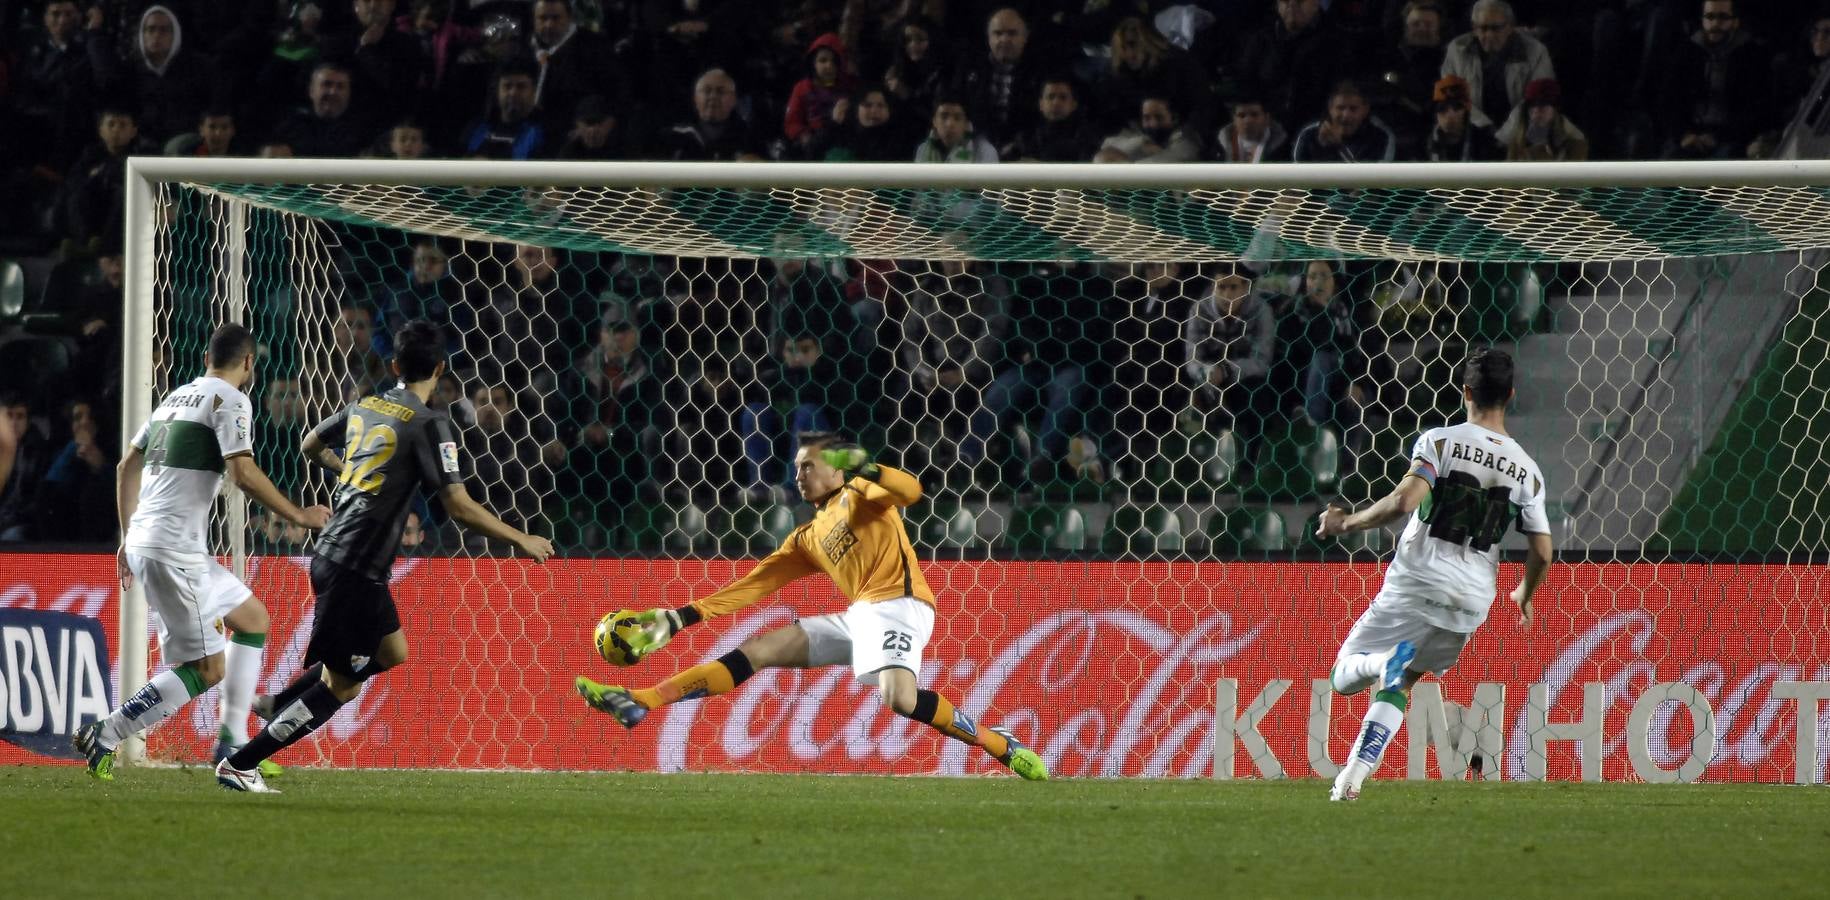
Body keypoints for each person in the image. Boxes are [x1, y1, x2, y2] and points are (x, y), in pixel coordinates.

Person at [575, 433, 1048, 781]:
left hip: (902, 605)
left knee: (899, 698)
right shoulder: (806, 537)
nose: (799, 474)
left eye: (809, 465)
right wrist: (683, 616)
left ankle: (998, 743)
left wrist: (868, 466)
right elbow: (754, 585)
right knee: (759, 649)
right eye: (797, 467)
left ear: (837, 468)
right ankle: (640, 700)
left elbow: (911, 492)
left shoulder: (860, 496)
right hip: (860, 614)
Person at [217, 320, 554, 792]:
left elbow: (309, 442)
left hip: (343, 556)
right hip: (354, 565)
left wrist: (347, 470)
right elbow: (458, 506)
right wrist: (520, 538)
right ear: (440, 368)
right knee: (343, 687)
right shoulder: (431, 422)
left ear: (394, 365)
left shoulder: (362, 406)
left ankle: (280, 701)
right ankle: (242, 762)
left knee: (393, 651)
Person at [71, 324, 333, 782]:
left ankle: (230, 743)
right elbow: (244, 474)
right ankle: (107, 733)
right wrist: (300, 515)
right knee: (208, 668)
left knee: (253, 621)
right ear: (249, 363)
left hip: (162, 542)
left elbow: (125, 465)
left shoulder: (175, 397)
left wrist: (127, 535)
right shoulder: (230, 400)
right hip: (174, 550)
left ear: (208, 357)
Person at [1315, 347, 1554, 801]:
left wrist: (1345, 523)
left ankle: (1379, 663)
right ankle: (1353, 778)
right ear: (1512, 395)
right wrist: (1524, 592)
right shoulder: (1528, 470)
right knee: (1402, 683)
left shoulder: (1440, 442)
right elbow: (1541, 549)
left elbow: (1404, 502)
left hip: (1418, 580)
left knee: (1345, 674)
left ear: (1465, 392)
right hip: (1470, 602)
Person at [1439, 0, 1555, 129]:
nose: (1489, 34)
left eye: (1496, 28)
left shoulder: (1535, 51)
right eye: (1483, 28)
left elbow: (1539, 98)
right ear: (1474, 28)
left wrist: (1506, 134)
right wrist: (1485, 129)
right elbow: (1452, 96)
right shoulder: (1457, 49)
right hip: (1473, 129)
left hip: (1522, 129)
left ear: (1510, 27)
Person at [1291, 80, 1395, 163]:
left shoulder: (1381, 136)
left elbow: (1370, 182)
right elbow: (1296, 178)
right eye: (1340, 108)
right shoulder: (1309, 134)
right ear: (1330, 109)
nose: (1346, 115)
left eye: (1353, 109)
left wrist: (1339, 147)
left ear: (1365, 110)